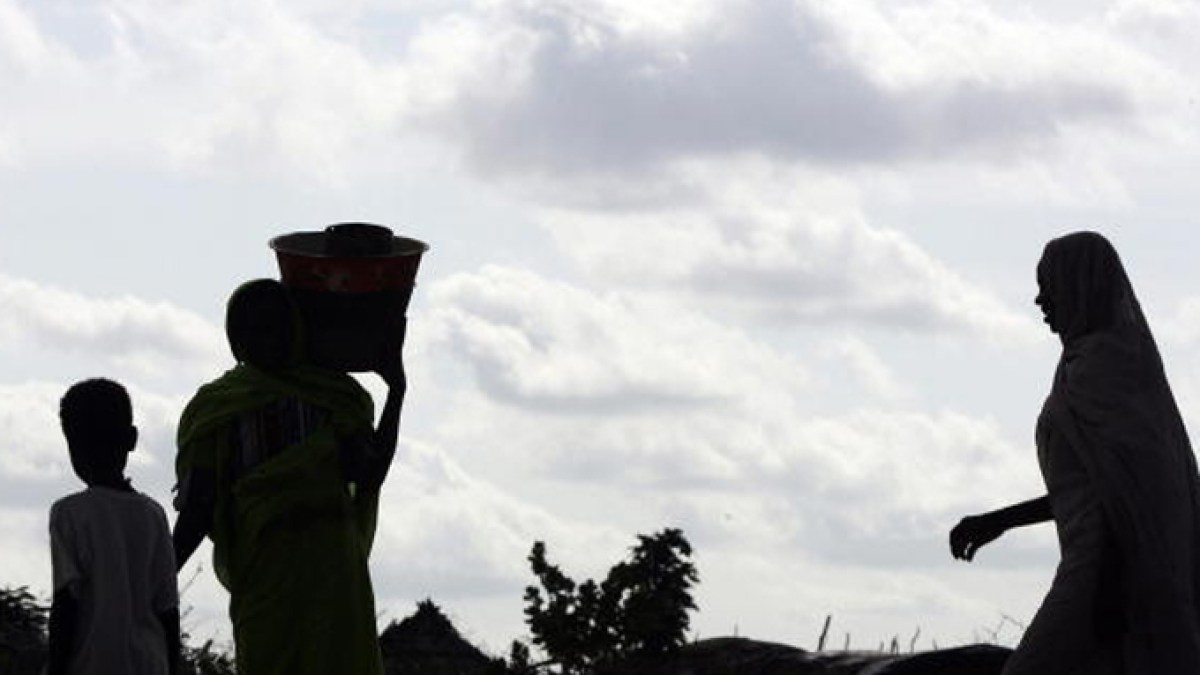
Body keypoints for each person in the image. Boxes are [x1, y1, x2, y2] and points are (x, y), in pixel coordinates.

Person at [949, 232, 1200, 674]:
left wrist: (1108, 588)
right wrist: (999, 521)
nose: (1040, 300)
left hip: (1103, 578)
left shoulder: (1108, 369)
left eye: (1050, 285)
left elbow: (1135, 497)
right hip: (1091, 572)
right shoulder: (1082, 366)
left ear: (1082, 286)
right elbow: (1092, 489)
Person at [172, 279, 405, 675]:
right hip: (265, 579)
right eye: (250, 329)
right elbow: (198, 506)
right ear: (234, 339)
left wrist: (396, 392)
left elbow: (369, 473)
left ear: (294, 330)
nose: (263, 339)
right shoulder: (215, 410)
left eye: (273, 326)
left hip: (334, 578)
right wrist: (156, 577)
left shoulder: (332, 398)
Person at [48, 378, 181, 675]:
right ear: (131, 439)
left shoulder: (68, 514)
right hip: (150, 663)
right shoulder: (153, 515)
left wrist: (55, 667)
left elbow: (66, 605)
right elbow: (168, 610)